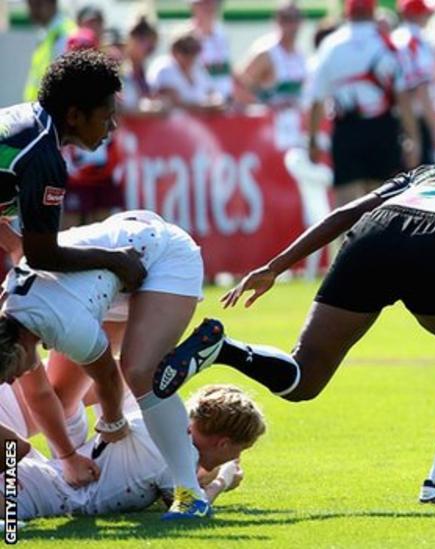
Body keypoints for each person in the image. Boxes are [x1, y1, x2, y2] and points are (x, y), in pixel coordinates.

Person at [152, 122, 435, 504]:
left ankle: (224, 349)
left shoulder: (427, 172)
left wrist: (276, 265)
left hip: (376, 232)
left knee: (304, 378)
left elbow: (344, 214)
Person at [0, 209, 214, 519]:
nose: (11, 381)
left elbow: (108, 378)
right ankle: (76, 469)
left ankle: (190, 493)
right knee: (63, 395)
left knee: (139, 371)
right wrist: (69, 459)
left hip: (159, 256)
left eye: (9, 375)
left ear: (19, 348)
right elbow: (39, 398)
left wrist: (113, 422)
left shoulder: (66, 327)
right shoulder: (11, 320)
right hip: (107, 271)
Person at [1, 384, 264, 520]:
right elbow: (189, 507)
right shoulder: (178, 454)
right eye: (239, 450)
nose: (235, 457)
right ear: (224, 443)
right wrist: (223, 480)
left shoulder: (154, 419)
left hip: (39, 474)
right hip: (35, 492)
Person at [0, 50, 145, 290]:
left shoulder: (30, 119)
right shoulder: (43, 156)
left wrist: (13, 243)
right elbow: (42, 256)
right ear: (74, 116)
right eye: (106, 118)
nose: (112, 127)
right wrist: (116, 260)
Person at [307, 0, 420, 206]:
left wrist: (313, 140)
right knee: (382, 203)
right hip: (382, 128)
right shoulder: (387, 44)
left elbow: (317, 99)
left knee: (345, 204)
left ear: (347, 13)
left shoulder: (331, 45)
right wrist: (413, 139)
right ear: (373, 12)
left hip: (346, 130)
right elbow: (402, 98)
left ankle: (346, 240)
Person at [394, 0, 435, 165]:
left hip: (391, 120)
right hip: (414, 121)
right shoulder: (417, 41)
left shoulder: (393, 38)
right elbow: (421, 90)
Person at [237, 1, 306, 107]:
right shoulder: (266, 52)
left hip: (293, 121)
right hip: (269, 121)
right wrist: (264, 105)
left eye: (295, 18)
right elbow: (239, 85)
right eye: (286, 18)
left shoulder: (300, 54)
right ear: (277, 21)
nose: (291, 24)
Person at [148, 27, 223, 110]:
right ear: (174, 51)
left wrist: (215, 101)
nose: (191, 56)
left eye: (195, 50)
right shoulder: (164, 69)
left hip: (198, 121)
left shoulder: (198, 70)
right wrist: (205, 106)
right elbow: (175, 103)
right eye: (186, 50)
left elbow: (213, 93)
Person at [23, 0, 76, 101]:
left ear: (52, 3)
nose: (31, 10)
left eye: (36, 4)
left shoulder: (63, 34)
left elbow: (64, 81)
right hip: (40, 109)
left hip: (51, 110)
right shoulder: (48, 32)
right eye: (30, 4)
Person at [189, 0, 233, 104]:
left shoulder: (221, 34)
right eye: (204, 3)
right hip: (200, 105)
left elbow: (226, 71)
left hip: (224, 103)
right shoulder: (186, 37)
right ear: (194, 6)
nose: (210, 6)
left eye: (214, 2)